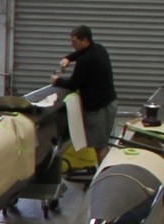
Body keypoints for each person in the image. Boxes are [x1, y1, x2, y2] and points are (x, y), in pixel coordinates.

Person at [50, 25, 118, 164]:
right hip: (108, 102)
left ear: (84, 40)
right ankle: (102, 174)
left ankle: (102, 179)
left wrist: (57, 80)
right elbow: (80, 53)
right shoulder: (99, 48)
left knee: (100, 145)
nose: (72, 45)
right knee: (101, 142)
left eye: (75, 42)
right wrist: (68, 58)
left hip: (100, 108)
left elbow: (73, 84)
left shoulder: (85, 61)